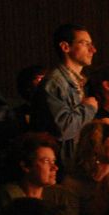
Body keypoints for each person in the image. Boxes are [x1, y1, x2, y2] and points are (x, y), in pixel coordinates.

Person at [30, 24, 98, 168]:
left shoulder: (81, 82)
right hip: (61, 166)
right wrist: (89, 108)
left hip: (77, 163)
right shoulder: (55, 83)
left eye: (91, 44)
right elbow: (64, 128)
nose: (93, 50)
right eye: (85, 44)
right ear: (65, 47)